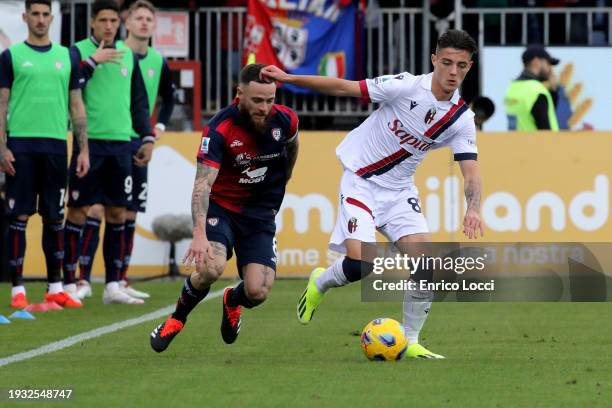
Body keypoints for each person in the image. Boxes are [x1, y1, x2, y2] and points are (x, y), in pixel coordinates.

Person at [262, 29, 483, 359]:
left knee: (427, 267)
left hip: (399, 192)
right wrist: (287, 78)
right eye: (447, 63)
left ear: (469, 66)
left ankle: (409, 342)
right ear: (434, 59)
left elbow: (471, 171)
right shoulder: (405, 86)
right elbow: (343, 86)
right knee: (363, 264)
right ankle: (320, 283)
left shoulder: (462, 119)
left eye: (461, 66)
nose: (453, 72)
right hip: (360, 181)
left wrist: (473, 208)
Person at [149, 64, 299, 353]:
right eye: (257, 100)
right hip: (224, 209)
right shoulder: (220, 128)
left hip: (260, 215)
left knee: (258, 291)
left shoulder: (286, 120)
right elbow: (202, 185)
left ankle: (232, 300)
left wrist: (286, 177)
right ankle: (177, 319)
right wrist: (198, 233)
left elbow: (292, 147)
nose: (265, 107)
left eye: (270, 100)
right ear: (239, 94)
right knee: (211, 267)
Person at [74, 0, 176, 301]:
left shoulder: (158, 60)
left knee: (127, 211)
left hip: (137, 140)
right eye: (138, 18)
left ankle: (120, 280)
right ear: (126, 23)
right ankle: (83, 279)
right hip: (108, 138)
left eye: (149, 18)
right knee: (94, 208)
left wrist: (156, 131)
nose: (144, 23)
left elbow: (165, 99)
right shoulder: (113, 53)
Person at [0, 0, 89, 308]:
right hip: (21, 146)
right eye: (34, 14)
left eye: (44, 14)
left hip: (54, 146)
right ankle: (17, 291)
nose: (40, 19)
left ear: (52, 17)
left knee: (55, 219)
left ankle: (55, 288)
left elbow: (77, 106)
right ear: (25, 17)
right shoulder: (10, 56)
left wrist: (83, 149)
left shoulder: (67, 56)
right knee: (18, 218)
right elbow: (1, 106)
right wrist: (2, 146)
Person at [504, 45, 560, 131]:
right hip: (539, 144)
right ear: (536, 62)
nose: (550, 68)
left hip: (517, 143)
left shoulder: (512, 87)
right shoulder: (537, 91)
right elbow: (545, 131)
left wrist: (553, 91)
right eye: (548, 63)